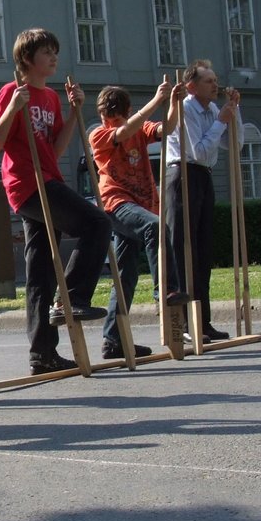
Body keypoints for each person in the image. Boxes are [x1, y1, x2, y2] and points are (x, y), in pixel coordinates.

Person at [0, 28, 110, 376]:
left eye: (55, 52)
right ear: (27, 59)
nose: (54, 58)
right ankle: (72, 298)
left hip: (47, 176)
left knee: (39, 272)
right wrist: (13, 107)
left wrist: (74, 112)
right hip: (28, 184)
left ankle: (42, 353)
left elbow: (55, 149)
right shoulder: (12, 91)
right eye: (46, 53)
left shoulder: (52, 97)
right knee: (97, 223)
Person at [89, 80, 183, 360]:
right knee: (155, 226)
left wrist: (173, 104)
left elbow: (167, 129)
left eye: (115, 116)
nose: (109, 122)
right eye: (106, 117)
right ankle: (165, 289)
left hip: (139, 204)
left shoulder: (139, 128)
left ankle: (113, 340)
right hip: (116, 203)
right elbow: (123, 132)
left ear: (127, 111)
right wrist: (156, 100)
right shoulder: (99, 135)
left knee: (126, 275)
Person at [163, 59, 240, 341]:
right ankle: (185, 323)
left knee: (203, 250)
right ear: (192, 86)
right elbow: (198, 151)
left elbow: (235, 144)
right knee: (184, 249)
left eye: (216, 80)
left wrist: (234, 112)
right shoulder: (185, 109)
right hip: (183, 174)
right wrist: (221, 122)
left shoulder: (213, 110)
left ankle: (203, 321)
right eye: (209, 81)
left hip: (203, 176)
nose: (215, 85)